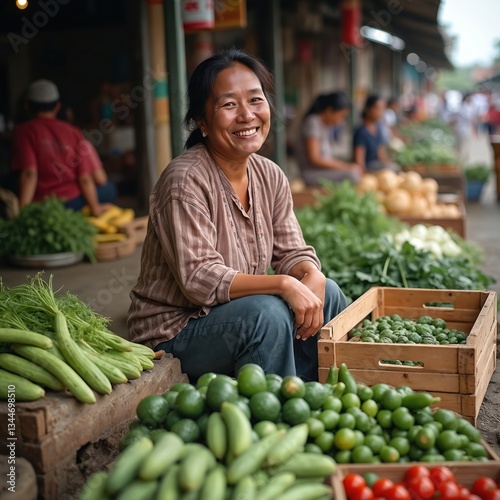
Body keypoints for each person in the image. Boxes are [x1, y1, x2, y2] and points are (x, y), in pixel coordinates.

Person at [127, 49, 346, 382]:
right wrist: (284, 284)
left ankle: (318, 398)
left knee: (327, 293)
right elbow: (200, 279)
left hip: (233, 313)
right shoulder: (185, 180)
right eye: (229, 105)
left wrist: (309, 272)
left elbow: (292, 251)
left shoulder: (270, 174)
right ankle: (273, 419)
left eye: (255, 100)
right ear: (202, 122)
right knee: (266, 314)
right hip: (176, 330)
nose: (247, 115)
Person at [10, 79, 116, 215]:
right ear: (57, 106)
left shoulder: (22, 131)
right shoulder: (73, 132)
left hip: (41, 203)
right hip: (72, 202)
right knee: (109, 189)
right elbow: (85, 178)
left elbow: (29, 173)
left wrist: (23, 212)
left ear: (27, 106)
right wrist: (95, 209)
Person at [294, 92, 362, 186]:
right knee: (351, 175)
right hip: (311, 173)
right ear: (329, 111)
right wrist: (346, 167)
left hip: (323, 172)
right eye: (341, 116)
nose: (341, 120)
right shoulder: (313, 122)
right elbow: (314, 159)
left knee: (354, 172)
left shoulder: (326, 125)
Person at [353, 95, 398, 172]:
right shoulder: (361, 132)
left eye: (382, 109)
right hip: (368, 167)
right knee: (391, 168)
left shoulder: (378, 128)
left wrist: (388, 161)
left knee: (393, 166)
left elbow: (381, 153)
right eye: (377, 108)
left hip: (377, 164)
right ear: (367, 109)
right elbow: (359, 161)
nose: (381, 112)